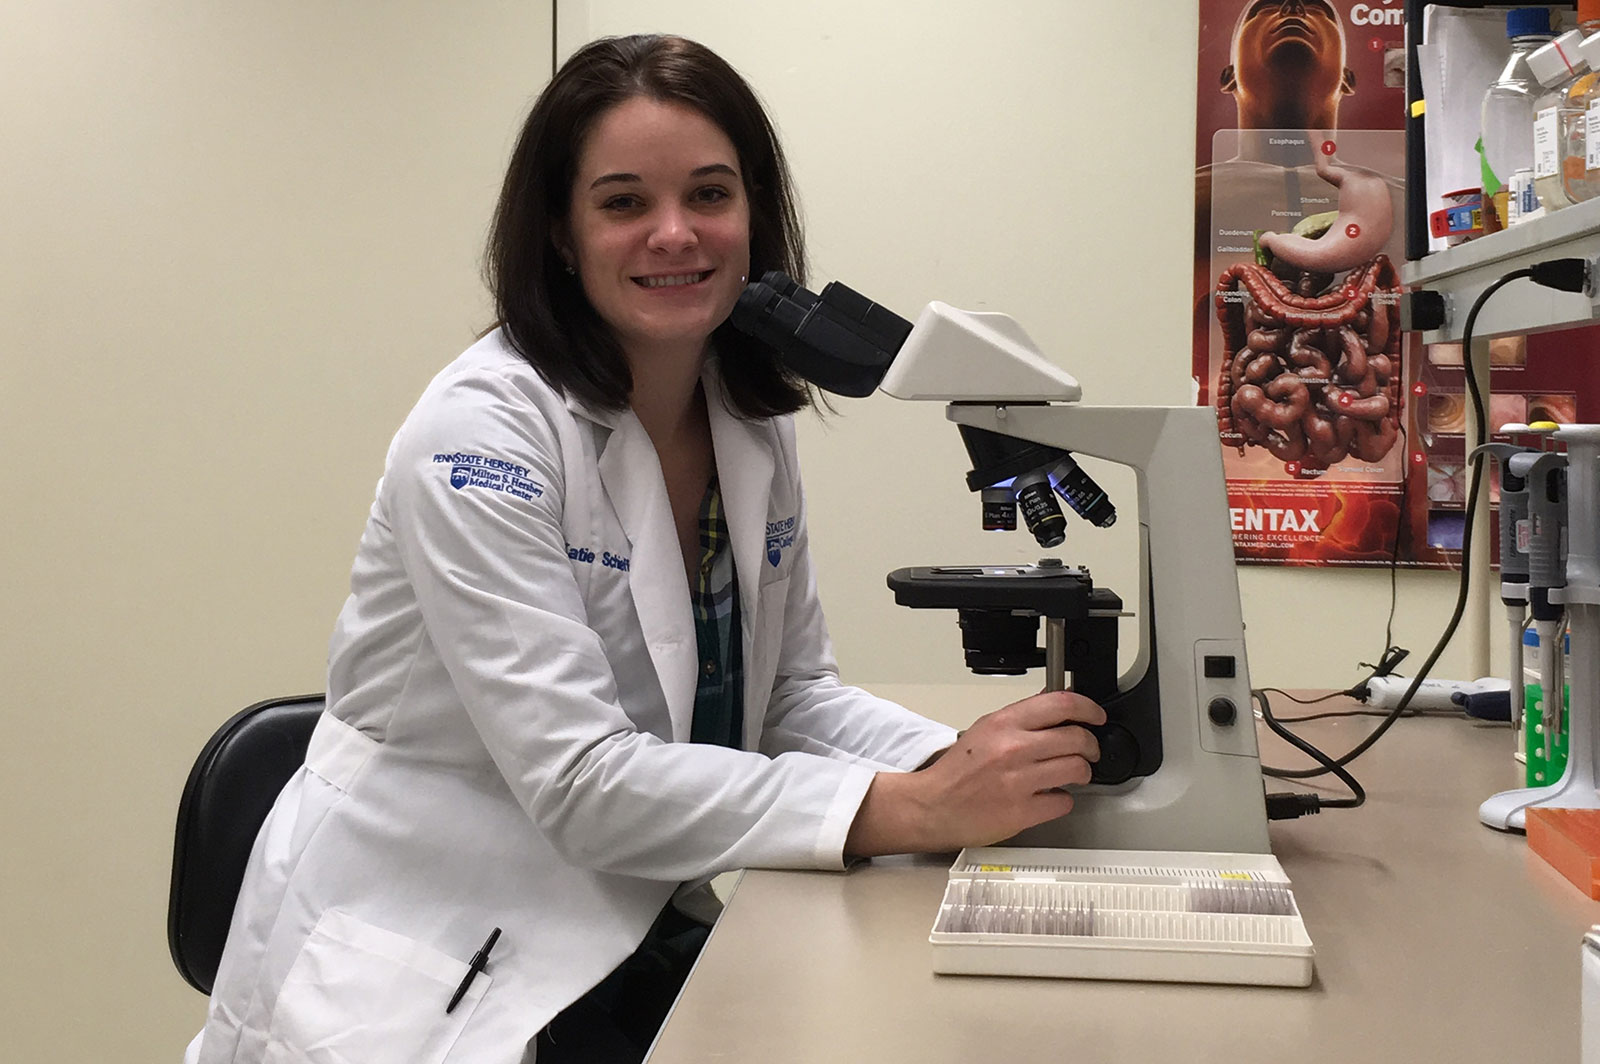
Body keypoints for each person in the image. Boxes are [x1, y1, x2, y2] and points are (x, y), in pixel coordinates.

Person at [187, 34, 1104, 1064]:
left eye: (708, 194)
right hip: (436, 957)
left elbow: (790, 697)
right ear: (562, 232)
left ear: (753, 211)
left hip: (629, 927)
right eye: (624, 202)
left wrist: (968, 763)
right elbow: (582, 781)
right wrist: (914, 806)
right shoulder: (484, 435)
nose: (675, 233)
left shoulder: (745, 416)